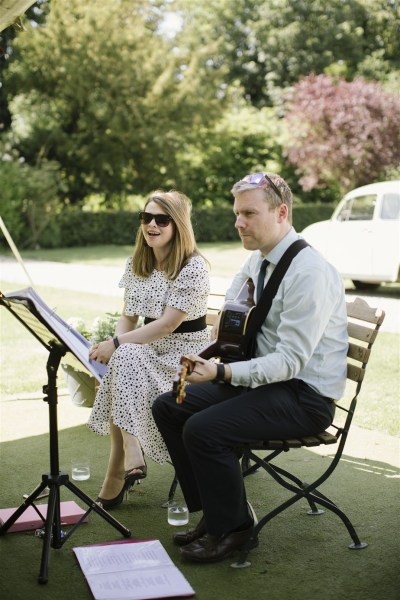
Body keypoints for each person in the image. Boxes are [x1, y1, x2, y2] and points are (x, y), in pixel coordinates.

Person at [152, 172, 348, 563]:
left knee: (204, 429)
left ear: (282, 212)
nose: (238, 222)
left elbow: (291, 361)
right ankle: (217, 511)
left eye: (249, 213)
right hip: (266, 383)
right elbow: (233, 320)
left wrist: (222, 373)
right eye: (237, 213)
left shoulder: (308, 272)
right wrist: (210, 355)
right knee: (168, 406)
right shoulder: (258, 261)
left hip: (304, 397)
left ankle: (236, 528)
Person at [87, 190, 210, 509]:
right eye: (146, 218)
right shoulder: (137, 264)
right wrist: (117, 344)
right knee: (124, 359)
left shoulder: (193, 266)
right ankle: (127, 458)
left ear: (178, 224)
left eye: (161, 219)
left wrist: (115, 346)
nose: (151, 225)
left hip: (184, 360)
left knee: (123, 358)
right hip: (144, 354)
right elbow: (127, 317)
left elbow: (168, 324)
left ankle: (120, 470)